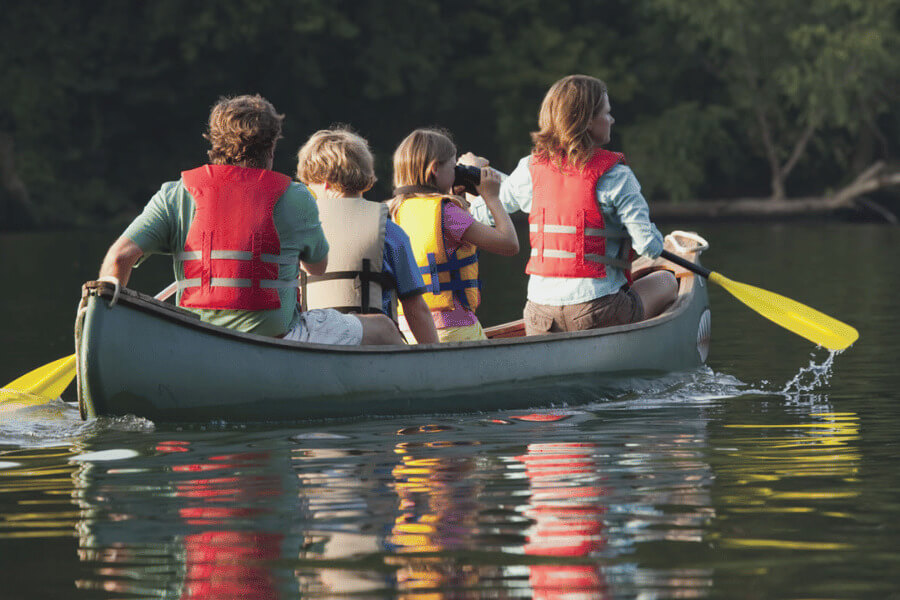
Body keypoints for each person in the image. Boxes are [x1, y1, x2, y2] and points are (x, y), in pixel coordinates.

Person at [98, 94, 401, 345]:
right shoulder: (296, 197)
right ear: (271, 148)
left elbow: (118, 260)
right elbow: (318, 267)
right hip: (280, 337)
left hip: (197, 338)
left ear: (215, 143)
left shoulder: (174, 194)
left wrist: (108, 332)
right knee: (384, 329)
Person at [463, 75, 677, 336]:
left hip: (539, 315)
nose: (611, 120)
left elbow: (485, 211)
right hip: (598, 311)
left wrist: (475, 179)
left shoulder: (529, 167)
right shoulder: (617, 178)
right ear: (588, 120)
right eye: (607, 113)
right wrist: (658, 238)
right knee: (667, 280)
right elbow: (649, 247)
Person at [295, 127, 439, 344]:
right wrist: (433, 360)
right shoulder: (390, 233)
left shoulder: (299, 231)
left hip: (316, 346)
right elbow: (416, 308)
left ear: (323, 183)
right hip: (374, 346)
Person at [387, 128, 519, 343]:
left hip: (409, 328)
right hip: (454, 328)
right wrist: (492, 197)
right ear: (435, 169)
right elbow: (509, 244)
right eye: (453, 166)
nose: (456, 171)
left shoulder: (395, 209)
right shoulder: (448, 213)